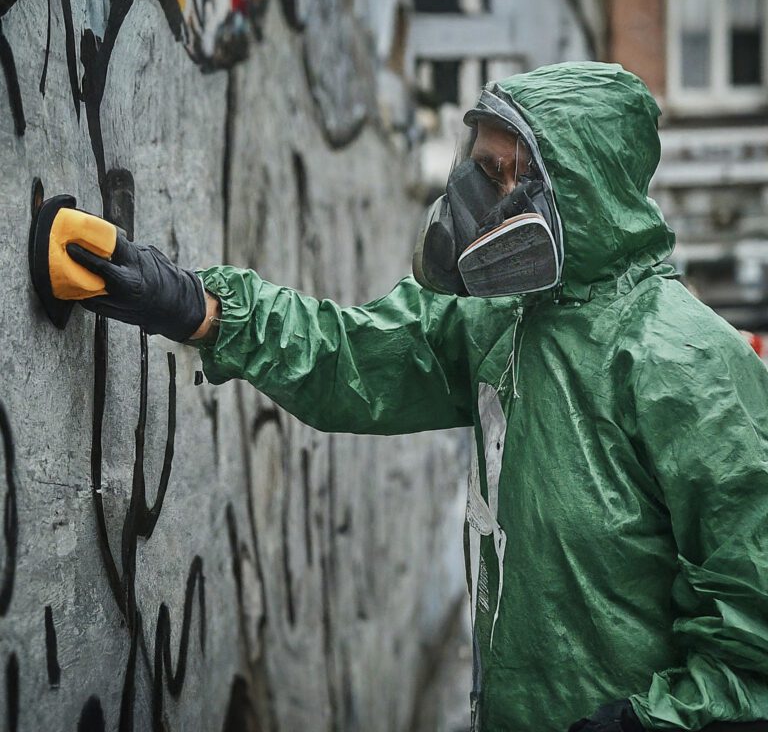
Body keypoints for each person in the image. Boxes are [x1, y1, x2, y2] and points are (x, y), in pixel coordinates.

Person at [62, 62, 768, 732]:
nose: (475, 202)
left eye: (498, 175)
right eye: (476, 168)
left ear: (577, 188)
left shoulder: (690, 366)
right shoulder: (510, 322)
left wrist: (642, 724)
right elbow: (355, 355)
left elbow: (755, 639)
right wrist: (197, 306)